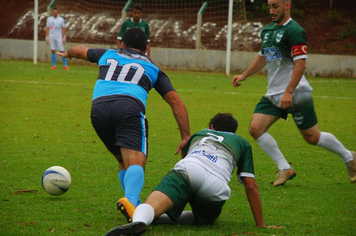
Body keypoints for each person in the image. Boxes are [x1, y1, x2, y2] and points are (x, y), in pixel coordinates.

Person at [57, 28, 191, 223]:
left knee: (122, 160)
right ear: (146, 48)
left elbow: (79, 50)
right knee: (136, 161)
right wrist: (185, 136)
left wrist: (68, 53)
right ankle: (129, 200)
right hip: (128, 108)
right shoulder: (153, 68)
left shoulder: (109, 53)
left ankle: (133, 205)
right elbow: (176, 103)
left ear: (123, 45)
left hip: (99, 109)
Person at [231, 0, 356, 186]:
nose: (271, 10)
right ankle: (285, 168)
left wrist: (289, 92)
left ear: (287, 5)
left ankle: (350, 157)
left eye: (275, 6)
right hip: (274, 94)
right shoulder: (267, 31)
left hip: (296, 93)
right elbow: (262, 57)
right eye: (269, 6)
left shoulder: (295, 30)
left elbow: (301, 63)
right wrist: (244, 75)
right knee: (255, 128)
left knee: (312, 137)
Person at [105, 113, 265, 236]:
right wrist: (261, 225)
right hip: (215, 185)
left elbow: (187, 157)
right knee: (208, 219)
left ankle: (141, 219)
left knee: (151, 205)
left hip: (188, 169)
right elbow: (250, 186)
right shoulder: (243, 143)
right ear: (233, 132)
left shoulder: (200, 133)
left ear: (211, 126)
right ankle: (156, 217)